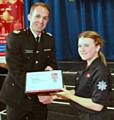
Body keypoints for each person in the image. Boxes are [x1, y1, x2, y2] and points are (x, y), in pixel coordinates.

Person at [0, 2, 57, 120]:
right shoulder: (15, 38)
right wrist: (40, 92)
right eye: (37, 16)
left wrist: (51, 71)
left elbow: (52, 63)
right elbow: (16, 71)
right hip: (17, 97)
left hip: (38, 102)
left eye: (45, 18)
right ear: (29, 17)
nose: (41, 21)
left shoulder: (49, 39)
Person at [55, 31, 112, 120]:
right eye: (80, 46)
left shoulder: (100, 71)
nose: (82, 49)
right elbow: (80, 92)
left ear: (97, 47)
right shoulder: (87, 69)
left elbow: (97, 105)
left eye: (86, 45)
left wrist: (70, 96)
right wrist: (59, 94)